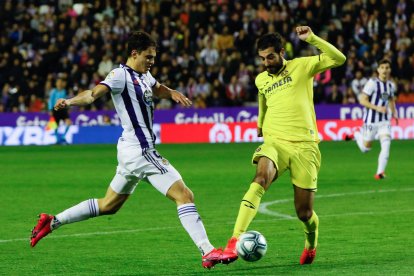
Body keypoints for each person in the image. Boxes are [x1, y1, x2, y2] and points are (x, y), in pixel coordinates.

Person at [30, 31, 223, 269]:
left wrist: (171, 92)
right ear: (134, 53)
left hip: (130, 151)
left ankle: (52, 222)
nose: (152, 61)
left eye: (154, 57)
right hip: (140, 150)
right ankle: (208, 251)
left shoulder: (145, 75)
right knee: (184, 196)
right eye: (148, 57)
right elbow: (92, 95)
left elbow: (157, 87)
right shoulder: (120, 75)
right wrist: (69, 102)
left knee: (109, 205)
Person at [219, 26, 346, 265]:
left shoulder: (302, 66)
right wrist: (260, 122)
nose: (266, 63)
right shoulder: (261, 79)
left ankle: (311, 242)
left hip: (305, 146)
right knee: (260, 178)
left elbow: (339, 59)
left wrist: (312, 39)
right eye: (262, 58)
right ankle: (234, 241)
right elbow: (262, 100)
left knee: (304, 213)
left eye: (270, 57)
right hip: (275, 141)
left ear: (281, 52)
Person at [344, 59, 398, 179]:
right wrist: (377, 108)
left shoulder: (390, 85)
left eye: (387, 67)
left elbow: (391, 100)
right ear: (378, 70)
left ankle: (379, 173)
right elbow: (362, 100)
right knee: (365, 149)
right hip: (371, 121)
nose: (385, 70)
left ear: (390, 70)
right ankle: (356, 133)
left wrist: (395, 113)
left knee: (386, 143)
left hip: (384, 121)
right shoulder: (372, 83)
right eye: (382, 67)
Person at [48, 77, 72, 144]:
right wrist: (50, 109)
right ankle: (56, 139)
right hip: (56, 109)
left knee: (68, 122)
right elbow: (50, 101)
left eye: (61, 82)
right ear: (56, 83)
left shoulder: (64, 91)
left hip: (63, 109)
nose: (59, 83)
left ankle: (63, 137)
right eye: (58, 82)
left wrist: (68, 108)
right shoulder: (53, 91)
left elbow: (66, 100)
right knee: (56, 125)